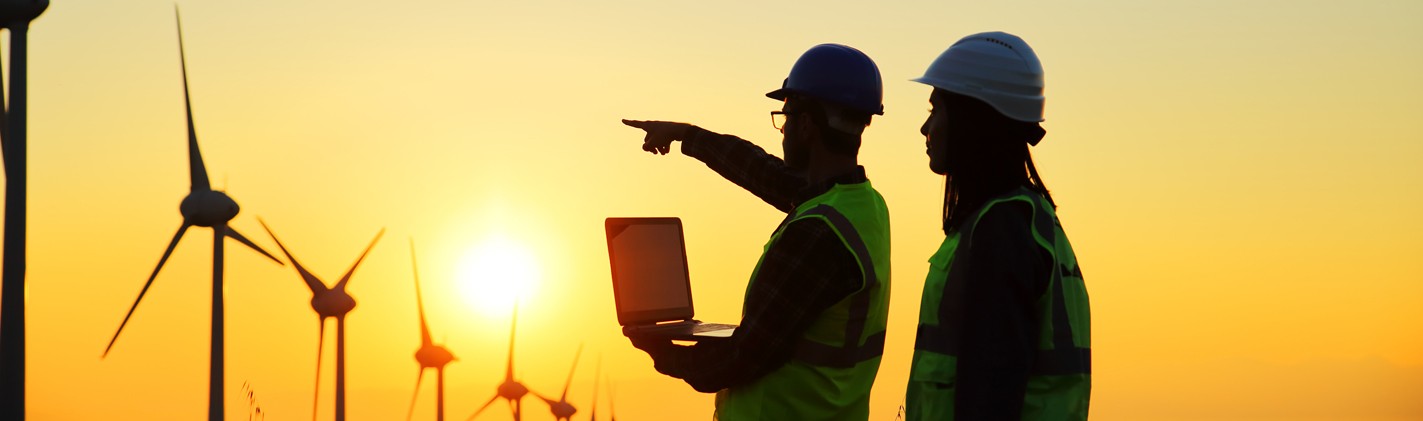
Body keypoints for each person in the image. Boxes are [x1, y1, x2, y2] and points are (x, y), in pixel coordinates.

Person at [620, 43, 892, 421]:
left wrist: (661, 351)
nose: (782, 131)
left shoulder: (815, 234)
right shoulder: (864, 206)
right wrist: (687, 135)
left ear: (807, 125)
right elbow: (764, 172)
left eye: (785, 117)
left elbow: (742, 358)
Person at [904, 32, 1092, 420]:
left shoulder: (1000, 232)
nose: (926, 128)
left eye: (935, 111)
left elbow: (989, 394)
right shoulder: (1029, 221)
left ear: (973, 119)